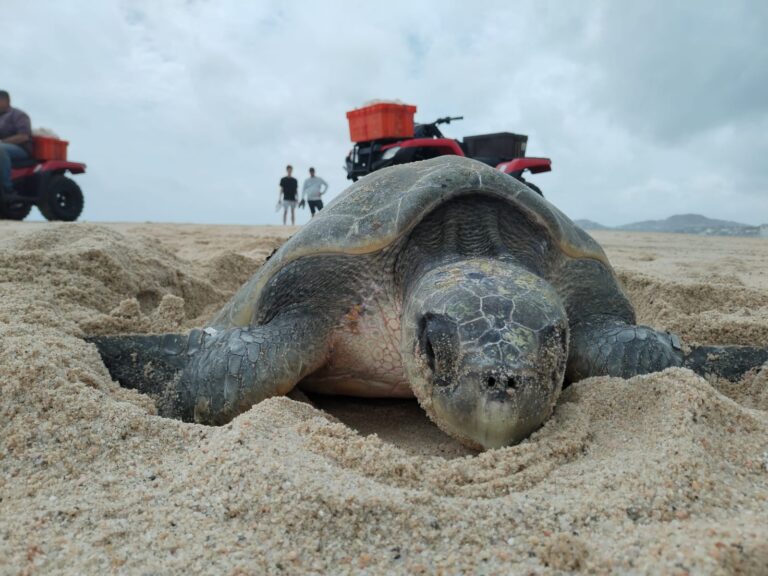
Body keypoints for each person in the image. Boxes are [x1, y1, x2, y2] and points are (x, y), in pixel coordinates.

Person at [0, 90, 33, 194]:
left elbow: (23, 136)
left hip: (21, 149)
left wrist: (2, 142)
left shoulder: (18, 115)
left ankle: (7, 188)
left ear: (6, 101)